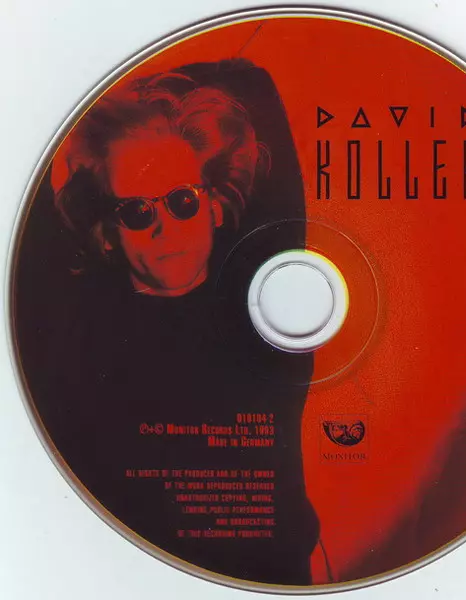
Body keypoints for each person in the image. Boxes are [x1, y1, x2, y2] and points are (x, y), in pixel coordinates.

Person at [15, 65, 319, 585]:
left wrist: (121, 82)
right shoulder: (75, 330)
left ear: (215, 207)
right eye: (137, 211)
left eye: (182, 201)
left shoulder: (264, 298)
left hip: (268, 579)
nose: (164, 227)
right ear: (108, 234)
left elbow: (252, 81)